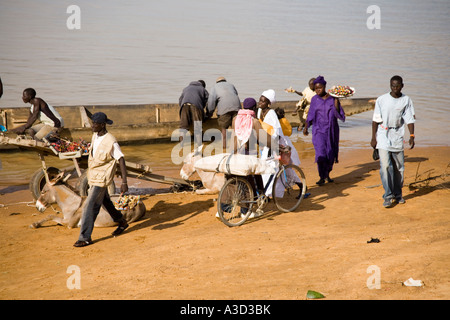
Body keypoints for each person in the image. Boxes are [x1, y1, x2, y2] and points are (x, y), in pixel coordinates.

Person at [74, 112, 129, 247]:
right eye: (93, 123)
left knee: (90, 206)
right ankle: (121, 221)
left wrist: (124, 182)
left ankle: (85, 237)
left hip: (102, 178)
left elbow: (121, 159)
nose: (92, 126)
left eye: (95, 124)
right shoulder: (95, 136)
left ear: (102, 125)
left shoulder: (111, 141)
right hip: (93, 176)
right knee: (105, 201)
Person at [371, 75, 415, 208]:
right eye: (392, 86)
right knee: (385, 166)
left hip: (397, 135)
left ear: (402, 86)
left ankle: (398, 194)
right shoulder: (382, 100)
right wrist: (373, 138)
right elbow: (375, 120)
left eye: (397, 86)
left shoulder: (406, 100)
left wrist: (412, 135)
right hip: (383, 134)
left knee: (399, 168)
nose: (394, 88)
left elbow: (409, 119)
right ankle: (388, 195)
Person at [257, 90, 301, 197]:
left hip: (277, 144)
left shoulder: (271, 114)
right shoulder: (259, 111)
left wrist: (275, 146)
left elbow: (277, 132)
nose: (260, 103)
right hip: (266, 145)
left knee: (287, 168)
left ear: (268, 104)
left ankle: (302, 186)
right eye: (259, 100)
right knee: (266, 168)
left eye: (263, 102)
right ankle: (268, 193)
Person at [303, 76, 345, 185]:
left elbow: (339, 114)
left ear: (324, 87)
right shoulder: (314, 99)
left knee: (330, 153)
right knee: (320, 153)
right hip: (318, 130)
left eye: (320, 88)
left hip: (331, 130)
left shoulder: (332, 98)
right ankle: (322, 176)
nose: (318, 90)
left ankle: (327, 174)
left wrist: (336, 103)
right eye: (316, 89)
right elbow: (311, 114)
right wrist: (306, 127)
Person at [206, 77, 241, 149]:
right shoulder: (231, 85)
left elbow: (211, 102)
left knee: (224, 128)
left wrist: (209, 113)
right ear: (225, 81)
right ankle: (237, 145)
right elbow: (236, 94)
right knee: (236, 128)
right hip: (237, 108)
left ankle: (224, 146)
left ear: (217, 82)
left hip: (224, 109)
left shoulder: (214, 87)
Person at [178, 80, 209, 145]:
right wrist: (202, 111)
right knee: (198, 127)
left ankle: (181, 144)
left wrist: (183, 108)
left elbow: (180, 100)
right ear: (203, 85)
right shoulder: (202, 89)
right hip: (196, 106)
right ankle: (199, 145)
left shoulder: (186, 88)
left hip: (184, 105)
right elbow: (207, 101)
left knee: (183, 127)